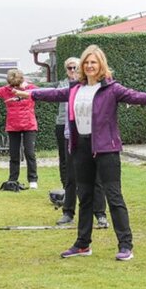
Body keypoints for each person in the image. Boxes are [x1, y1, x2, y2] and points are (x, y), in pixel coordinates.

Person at [23, 45, 146, 261]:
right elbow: (53, 94)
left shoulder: (112, 89)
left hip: (106, 148)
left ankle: (125, 245)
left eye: (93, 62)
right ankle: (82, 245)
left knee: (113, 196)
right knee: (84, 196)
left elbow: (134, 96)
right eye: (86, 62)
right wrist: (29, 94)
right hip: (81, 148)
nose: (89, 66)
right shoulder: (75, 89)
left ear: (101, 65)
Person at [53, 57, 107, 228]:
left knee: (96, 177)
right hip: (72, 136)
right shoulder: (66, 88)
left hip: (93, 137)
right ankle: (68, 212)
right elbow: (51, 94)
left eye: (76, 67)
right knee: (71, 175)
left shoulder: (92, 88)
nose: (73, 71)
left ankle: (100, 214)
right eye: (70, 68)